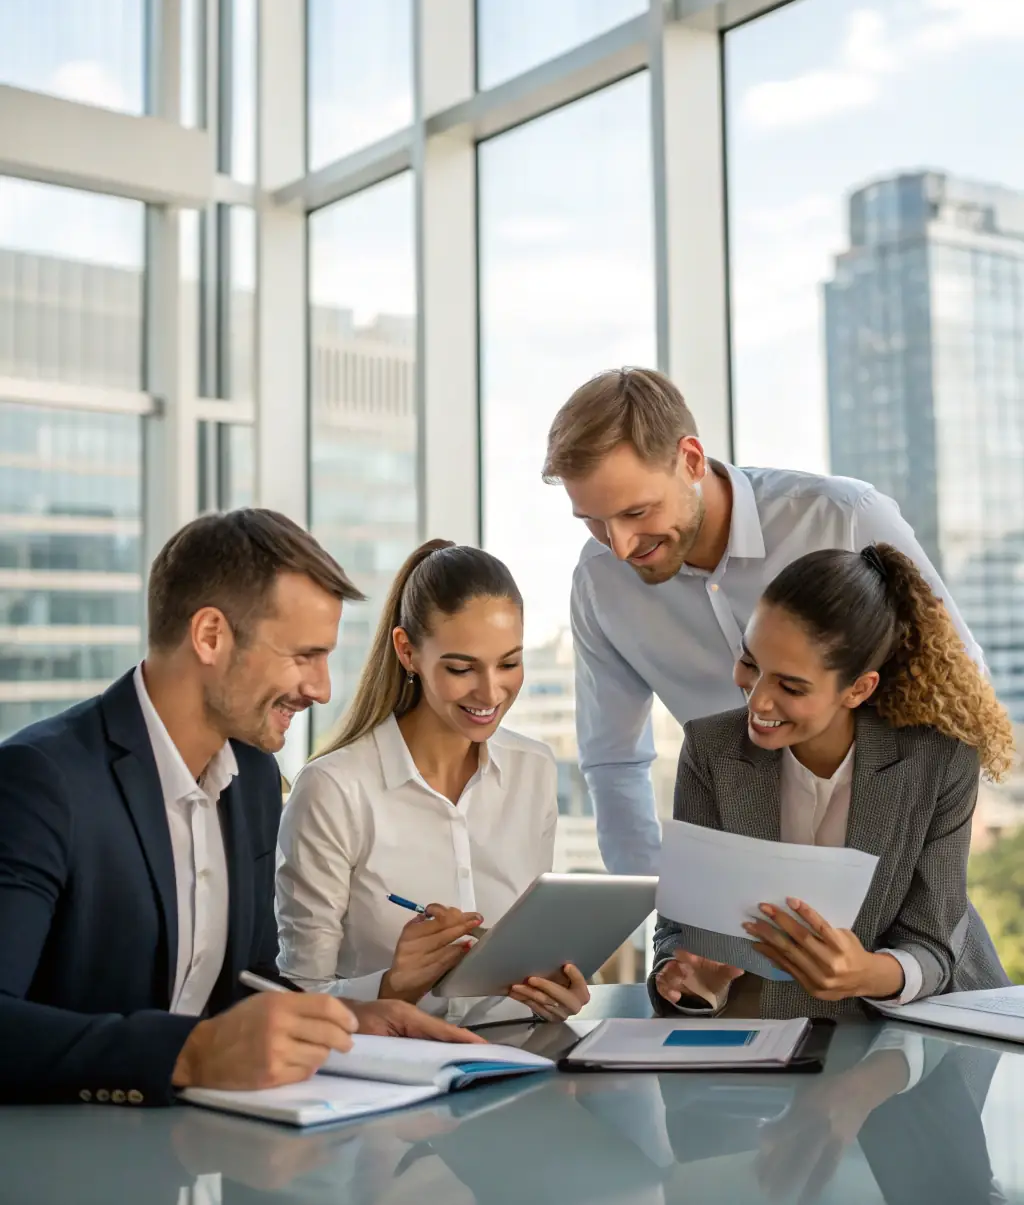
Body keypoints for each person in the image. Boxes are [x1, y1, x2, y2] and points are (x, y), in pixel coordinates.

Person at [0, 510, 479, 1108]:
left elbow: (243, 982)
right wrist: (190, 1052)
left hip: (193, 1152)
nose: (322, 688)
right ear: (209, 636)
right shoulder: (41, 781)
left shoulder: (251, 777)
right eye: (304, 655)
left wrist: (343, 1021)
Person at [543, 367, 983, 875]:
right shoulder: (600, 584)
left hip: (882, 865)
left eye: (637, 512)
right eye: (594, 521)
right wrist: (664, 901)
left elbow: (961, 685)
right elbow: (614, 760)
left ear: (689, 459)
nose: (619, 546)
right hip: (736, 883)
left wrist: (919, 877)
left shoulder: (842, 517)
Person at [649, 543, 1012, 1022]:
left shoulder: (939, 759)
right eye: (751, 663)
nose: (757, 701)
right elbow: (681, 930)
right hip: (763, 1030)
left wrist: (866, 972)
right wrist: (689, 978)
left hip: (920, 1032)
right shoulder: (711, 749)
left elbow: (935, 942)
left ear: (859, 689)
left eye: (791, 686)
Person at [276, 540, 591, 1024]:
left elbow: (528, 956)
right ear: (408, 651)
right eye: (462, 668)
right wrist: (393, 986)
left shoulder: (534, 768)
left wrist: (551, 993)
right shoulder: (334, 789)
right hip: (387, 1073)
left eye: (509, 663)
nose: (490, 692)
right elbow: (300, 998)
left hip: (517, 1060)